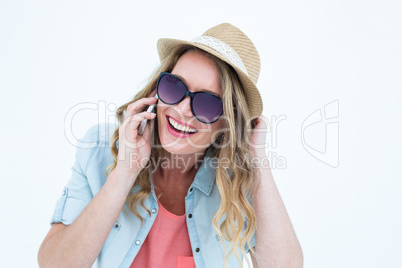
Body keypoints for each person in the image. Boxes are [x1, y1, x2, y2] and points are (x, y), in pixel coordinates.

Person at [38, 23, 303, 268]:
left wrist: (257, 161)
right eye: (175, 87)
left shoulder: (237, 181)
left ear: (227, 123)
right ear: (157, 88)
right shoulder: (99, 150)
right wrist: (125, 171)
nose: (182, 110)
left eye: (207, 103)